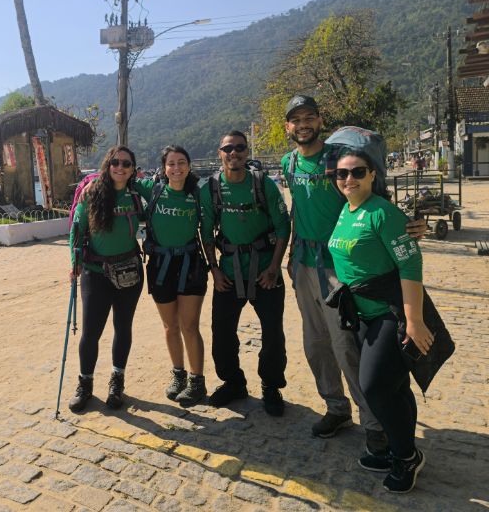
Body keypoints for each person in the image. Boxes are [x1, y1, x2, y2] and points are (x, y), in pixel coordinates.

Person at [281, 95, 426, 455]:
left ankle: (373, 422)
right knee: (315, 343)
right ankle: (336, 407)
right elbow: (299, 209)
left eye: (309, 117)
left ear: (319, 120)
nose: (303, 124)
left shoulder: (339, 161)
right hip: (303, 262)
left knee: (345, 344)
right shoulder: (289, 163)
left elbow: (374, 198)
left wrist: (406, 224)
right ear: (288, 127)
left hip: (338, 266)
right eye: (296, 119)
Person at [328, 150, 431, 493]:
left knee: (373, 386)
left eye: (358, 172)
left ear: (373, 174)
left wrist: (414, 321)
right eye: (342, 174)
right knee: (396, 386)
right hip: (362, 316)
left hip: (391, 314)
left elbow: (410, 264)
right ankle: (399, 451)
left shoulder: (383, 213)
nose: (348, 179)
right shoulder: (346, 209)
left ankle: (406, 456)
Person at [206, 131, 291, 416]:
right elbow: (205, 233)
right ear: (220, 153)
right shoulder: (212, 188)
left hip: (265, 272)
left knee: (273, 334)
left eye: (240, 148)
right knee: (222, 333)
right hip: (229, 273)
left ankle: (271, 385)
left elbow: (283, 227)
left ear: (246, 151)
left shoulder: (263, 184)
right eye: (228, 148)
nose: (234, 153)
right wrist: (214, 270)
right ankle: (233, 383)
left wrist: (274, 267)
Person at [67, 146, 144, 412]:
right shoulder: (91, 193)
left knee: (123, 327)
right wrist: (74, 262)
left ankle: (116, 382)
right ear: (107, 164)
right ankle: (85, 384)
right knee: (91, 333)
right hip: (96, 273)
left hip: (130, 271)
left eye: (126, 163)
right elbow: (77, 229)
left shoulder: (136, 195)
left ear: (133, 168)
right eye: (115, 162)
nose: (120, 167)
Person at [135, 145, 213, 406]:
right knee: (170, 327)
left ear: (189, 166)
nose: (177, 168)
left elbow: (209, 228)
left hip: (191, 265)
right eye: (171, 163)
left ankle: (197, 381)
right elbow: (118, 177)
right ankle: (178, 375)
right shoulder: (153, 189)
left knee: (190, 326)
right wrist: (89, 186)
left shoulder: (199, 193)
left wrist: (215, 264)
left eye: (181, 162)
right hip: (160, 265)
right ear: (164, 167)